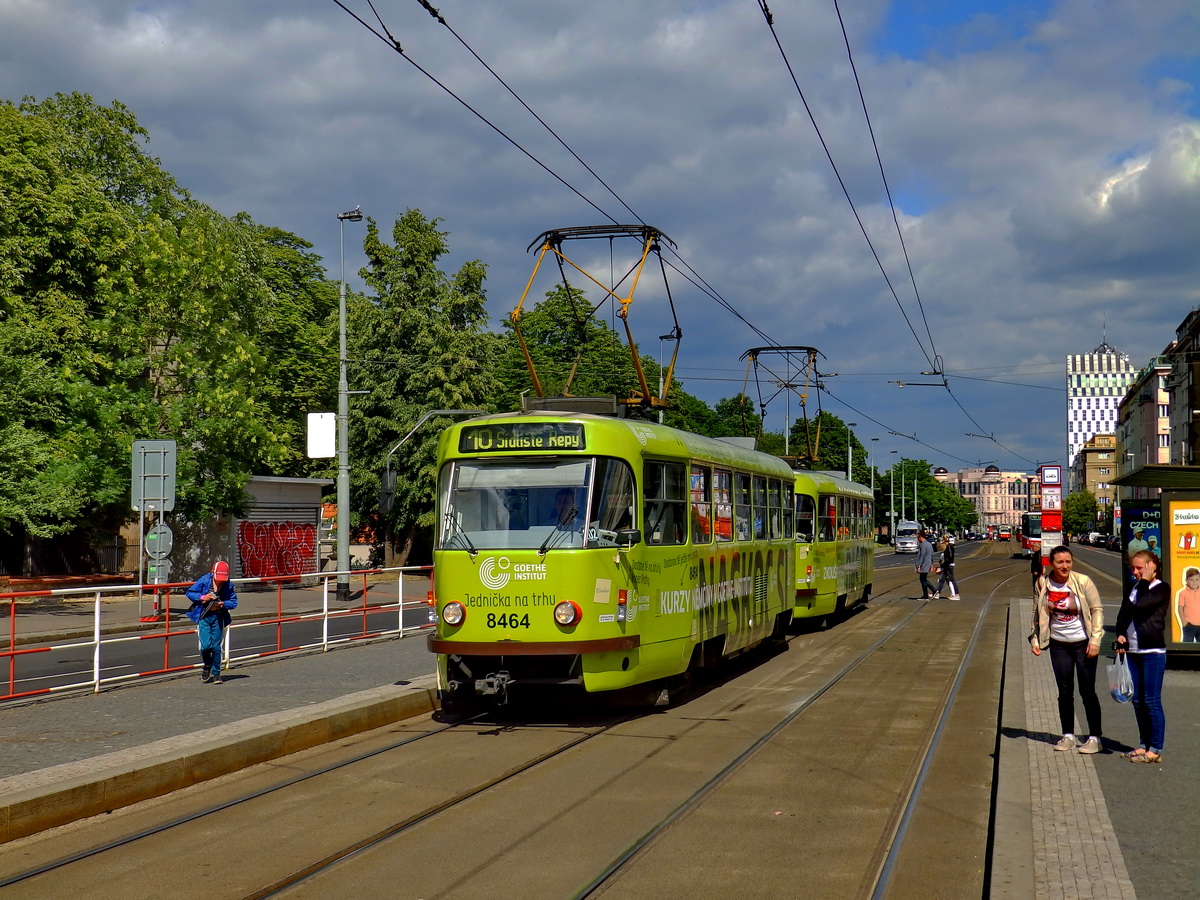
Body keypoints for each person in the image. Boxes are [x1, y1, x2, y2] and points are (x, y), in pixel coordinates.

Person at [1029, 545, 1104, 753]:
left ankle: (1094, 737)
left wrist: (1095, 640)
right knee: (1064, 690)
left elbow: (1097, 610)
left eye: (1068, 562)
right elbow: (1037, 613)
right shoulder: (1043, 583)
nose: (1065, 566)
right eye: (1060, 562)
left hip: (1083, 643)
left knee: (1087, 690)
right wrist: (1035, 639)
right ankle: (1068, 735)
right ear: (1052, 563)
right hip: (1058, 644)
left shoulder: (1082, 581)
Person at [1114, 550, 1169, 763]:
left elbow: (1143, 605)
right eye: (1133, 568)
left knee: (1151, 700)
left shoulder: (1161, 588)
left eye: (1139, 568)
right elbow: (1124, 612)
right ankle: (1144, 744)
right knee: (1137, 700)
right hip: (1133, 650)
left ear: (1152, 566)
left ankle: (1155, 748)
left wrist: (1145, 580)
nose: (1135, 572)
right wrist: (1120, 633)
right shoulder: (1134, 587)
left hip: (1152, 651)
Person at [186, 560, 239, 684]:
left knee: (216, 647)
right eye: (218, 577)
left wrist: (223, 604)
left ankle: (216, 673)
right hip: (204, 616)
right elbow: (190, 592)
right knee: (205, 646)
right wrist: (203, 597)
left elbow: (234, 601)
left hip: (219, 616)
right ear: (212, 573)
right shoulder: (204, 580)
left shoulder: (228, 584)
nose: (221, 580)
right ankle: (207, 665)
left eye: (223, 578)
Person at [1176, 567, 1200, 642]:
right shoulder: (1183, 593)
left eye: (1197, 580)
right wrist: (1183, 622)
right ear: (1186, 580)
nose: (1194, 582)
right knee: (1187, 645)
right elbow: (1180, 608)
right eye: (1191, 580)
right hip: (1189, 625)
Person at [914, 531, 934, 600]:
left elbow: (922, 556)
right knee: (923, 579)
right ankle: (930, 592)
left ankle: (928, 593)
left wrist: (919, 566)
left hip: (924, 564)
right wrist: (931, 564)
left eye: (918, 537)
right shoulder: (929, 544)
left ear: (920, 537)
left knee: (923, 579)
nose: (918, 539)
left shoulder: (923, 545)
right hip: (927, 563)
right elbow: (931, 555)